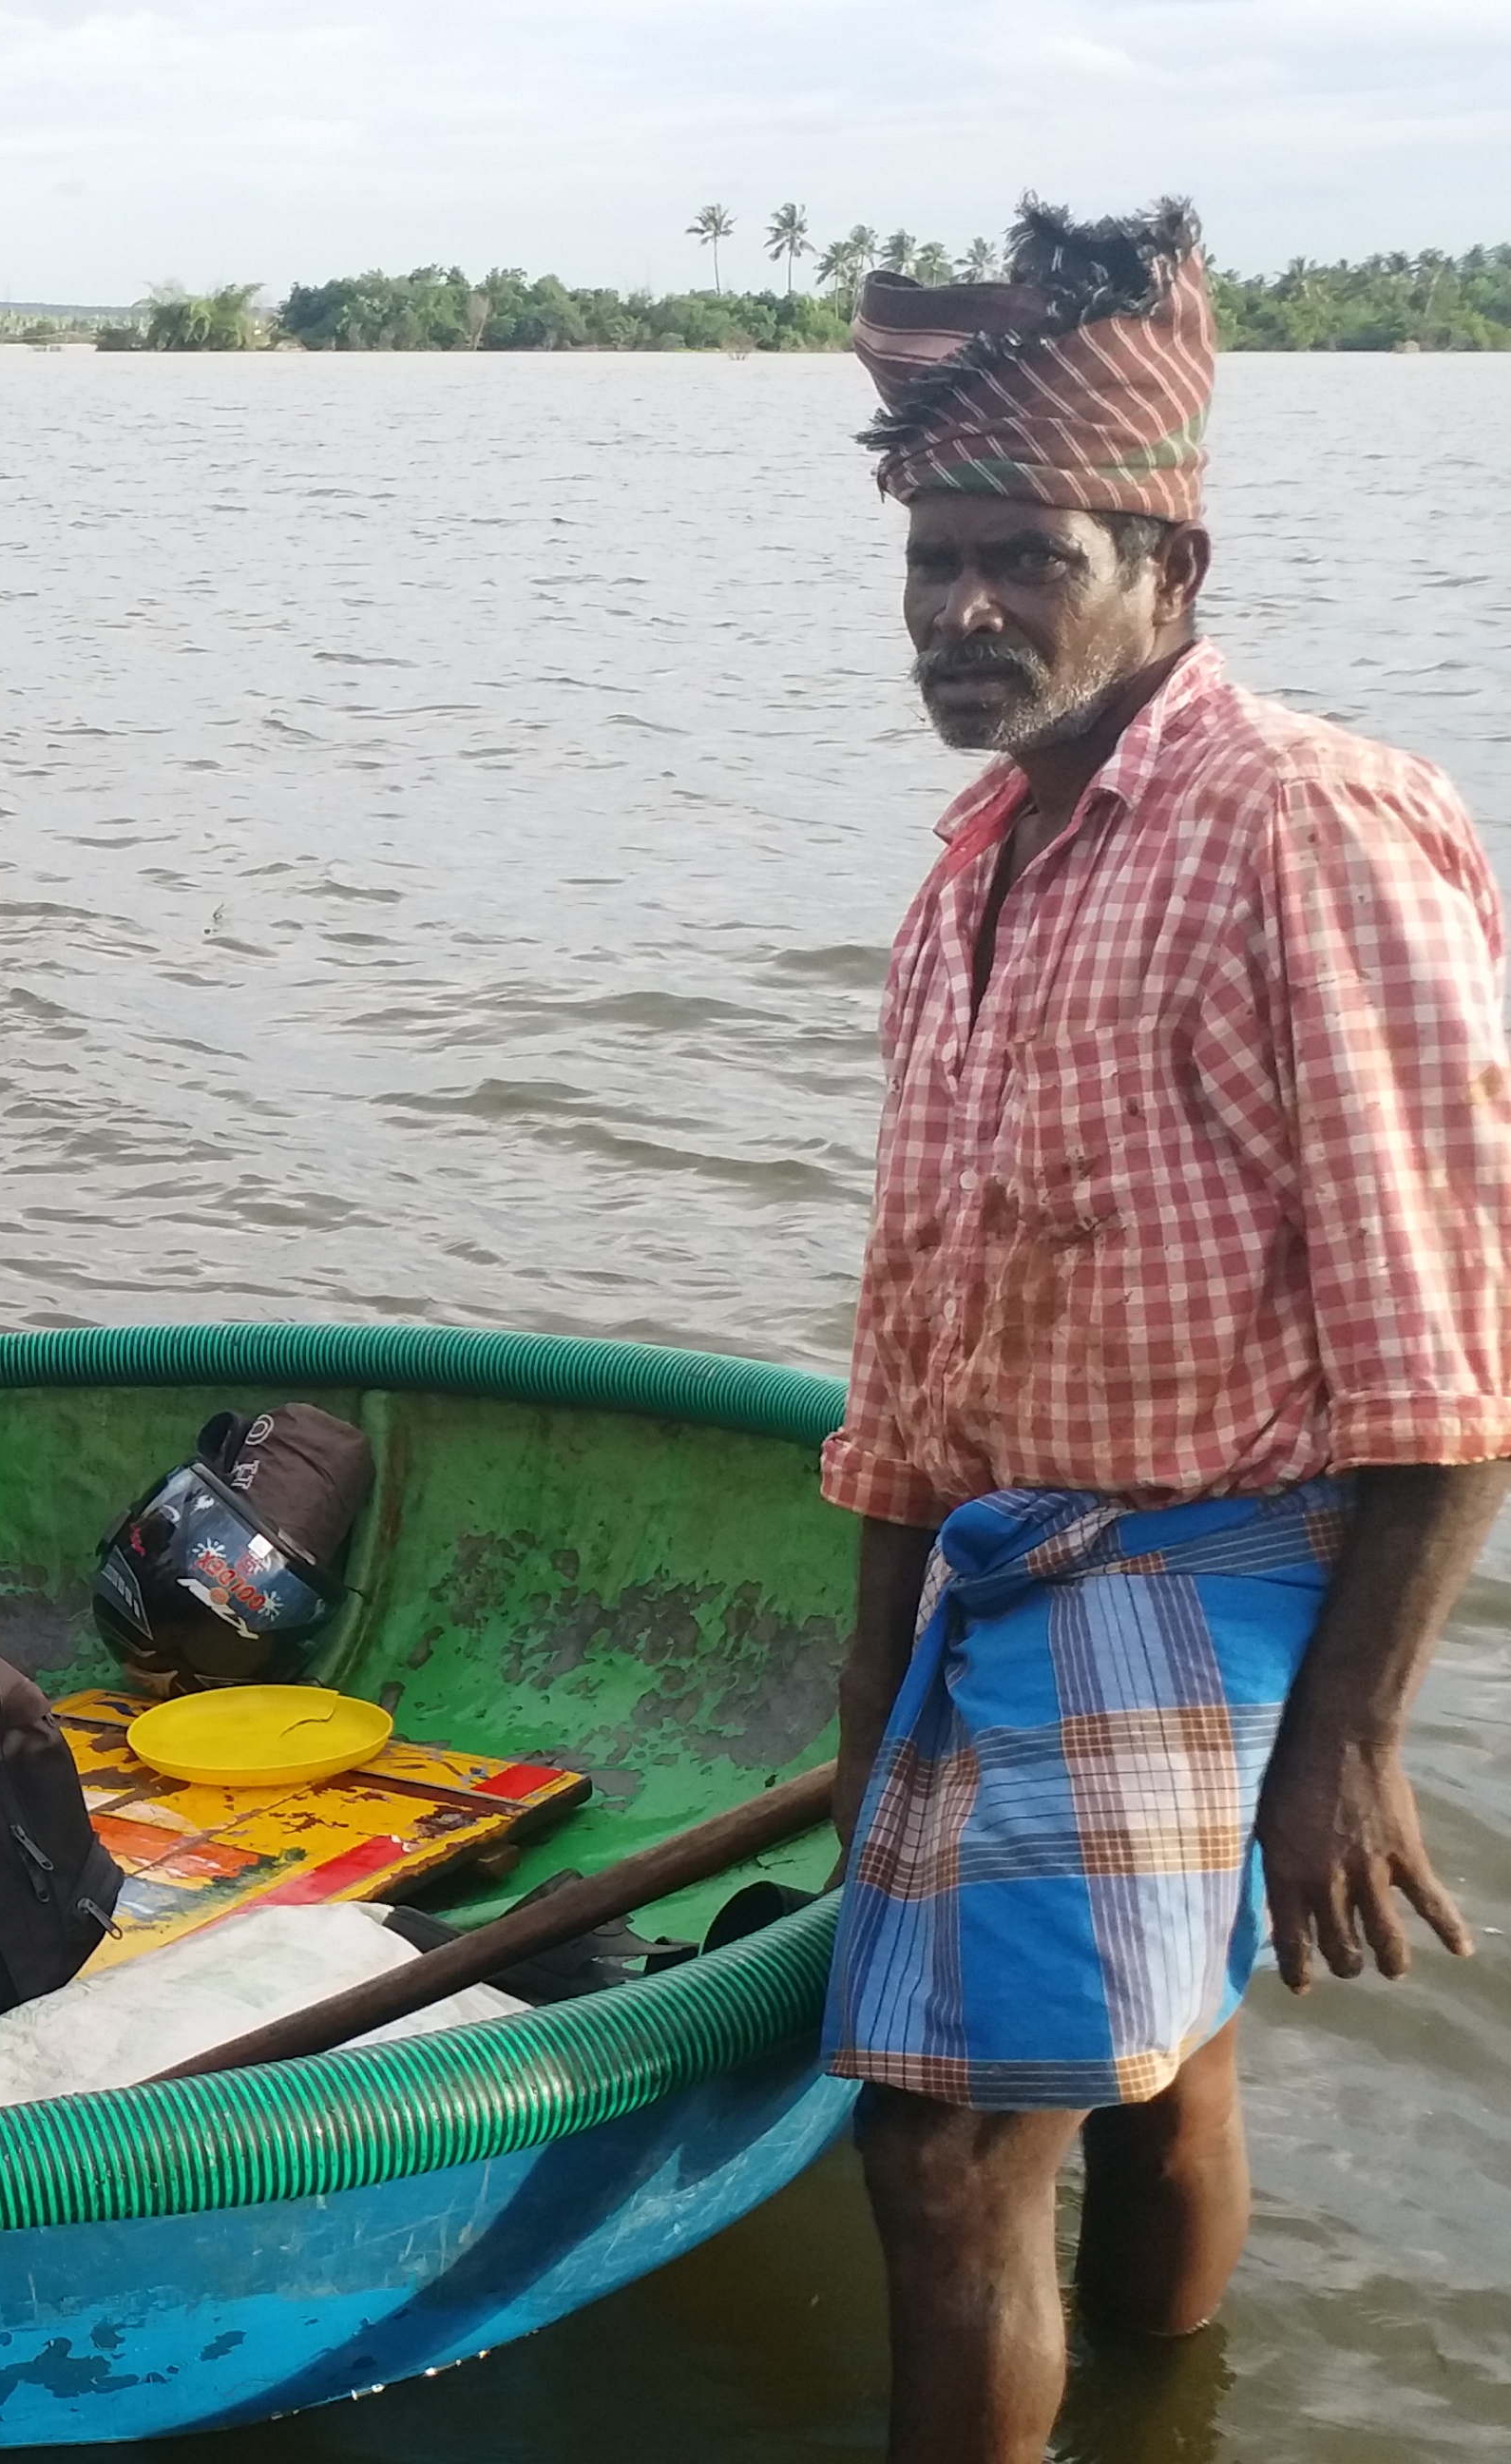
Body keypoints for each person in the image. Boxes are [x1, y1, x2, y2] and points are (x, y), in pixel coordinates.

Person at [818, 199, 1511, 2464]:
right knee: (1146, 2065)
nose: (964, 608)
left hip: (1211, 1556)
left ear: (1167, 568)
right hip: (1015, 1552)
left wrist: (1345, 1735)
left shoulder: (1303, 818)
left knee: (946, 2150)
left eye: (1022, 558)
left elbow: (1449, 1329)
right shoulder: (975, 862)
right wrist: (869, 1674)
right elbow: (916, 1326)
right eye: (934, 560)